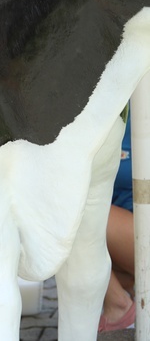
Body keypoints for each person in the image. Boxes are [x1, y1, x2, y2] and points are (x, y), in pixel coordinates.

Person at [100, 114, 136, 332]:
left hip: (138, 233)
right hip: (121, 235)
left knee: (71, 217)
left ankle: (119, 306)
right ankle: (121, 294)